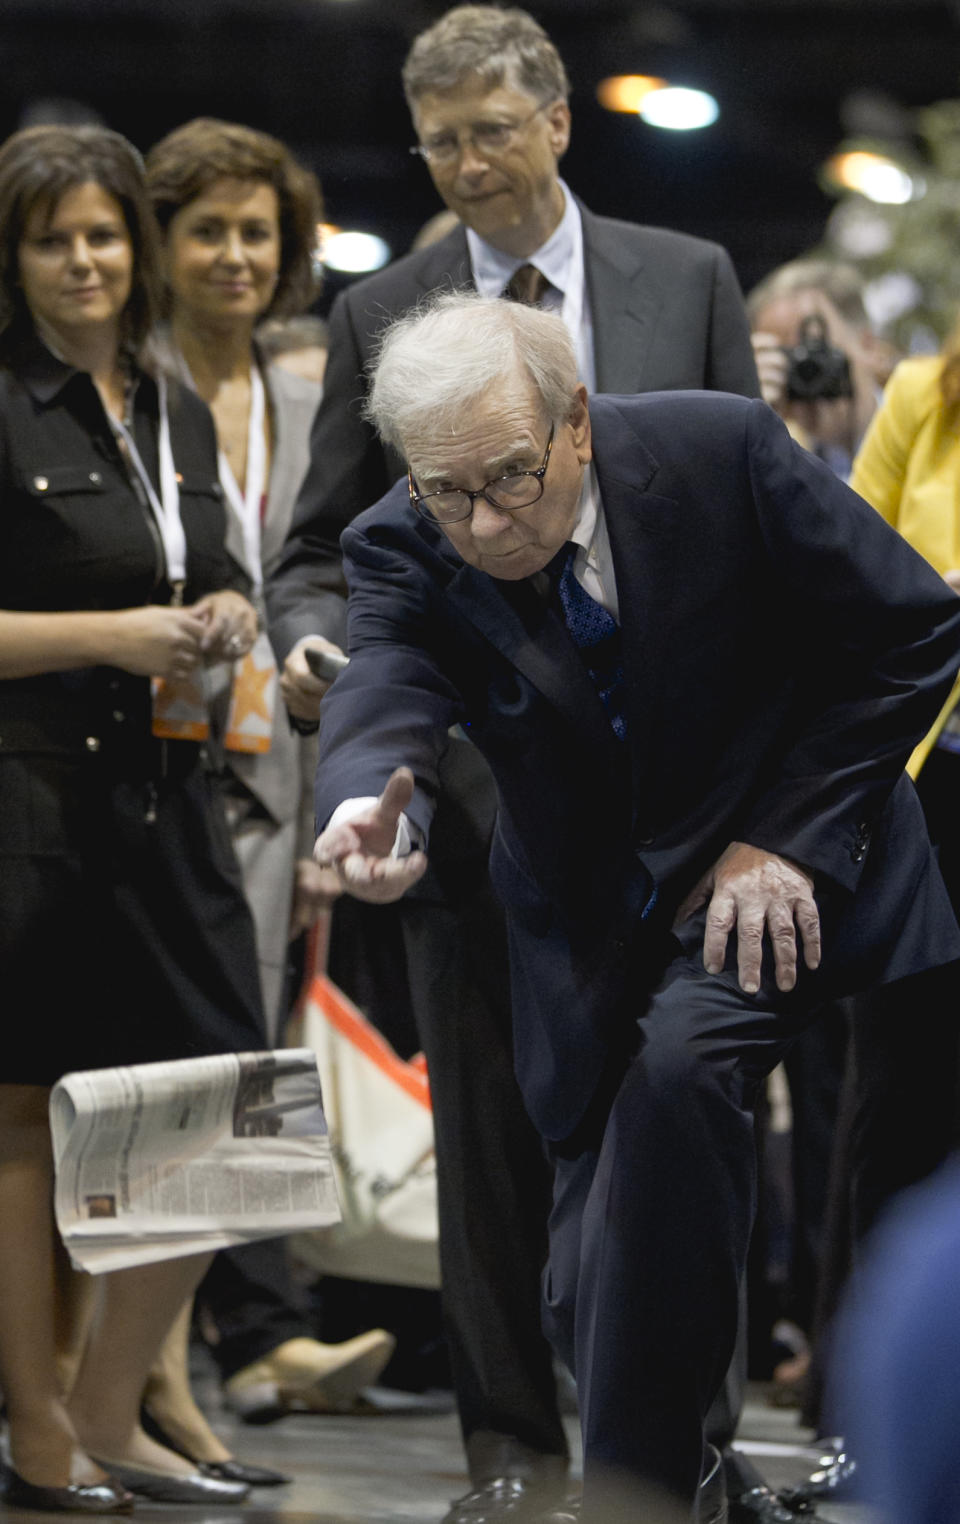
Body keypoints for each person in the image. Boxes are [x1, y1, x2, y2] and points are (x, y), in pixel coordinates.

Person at [309, 290, 960, 1523]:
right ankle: (705, 1479)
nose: (485, 522)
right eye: (450, 492)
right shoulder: (411, 530)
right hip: (589, 919)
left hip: (779, 876)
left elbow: (910, 637)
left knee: (680, 1078)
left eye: (509, 478)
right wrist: (365, 793)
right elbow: (387, 668)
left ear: (580, 427)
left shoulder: (724, 452)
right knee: (583, 1285)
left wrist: (787, 839)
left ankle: (641, 1501)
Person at [266, 8, 759, 1517]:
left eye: (491, 128)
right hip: (470, 811)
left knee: (689, 1125)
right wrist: (314, 651)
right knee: (484, 1144)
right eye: (439, 142)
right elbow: (320, 551)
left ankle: (691, 1455)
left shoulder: (685, 281)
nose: (468, 165)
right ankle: (509, 1457)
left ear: (556, 118)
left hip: (675, 810)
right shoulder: (385, 310)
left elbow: (747, 506)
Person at [0, 123, 266, 1511]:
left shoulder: (166, 402)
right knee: (27, 1125)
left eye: (104, 235)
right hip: (28, 799)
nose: (86, 260)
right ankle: (38, 1428)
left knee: (229, 1112)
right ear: (18, 256)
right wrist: (112, 631)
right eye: (56, 239)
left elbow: (214, 574)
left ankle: (114, 1410)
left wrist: (220, 614)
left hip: (171, 797)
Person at [141, 116, 394, 1448]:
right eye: (208, 230)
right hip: (151, 754)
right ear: (160, 246)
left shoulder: (309, 390)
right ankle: (206, 1339)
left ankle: (249, 1330)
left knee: (257, 1045)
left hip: (283, 761)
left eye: (258, 232)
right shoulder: (117, 380)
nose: (237, 256)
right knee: (179, 1055)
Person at [747, 258, 890, 477]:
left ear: (867, 345)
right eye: (785, 358)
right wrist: (754, 424)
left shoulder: (916, 438)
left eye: (814, 349)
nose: (802, 370)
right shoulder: (785, 466)